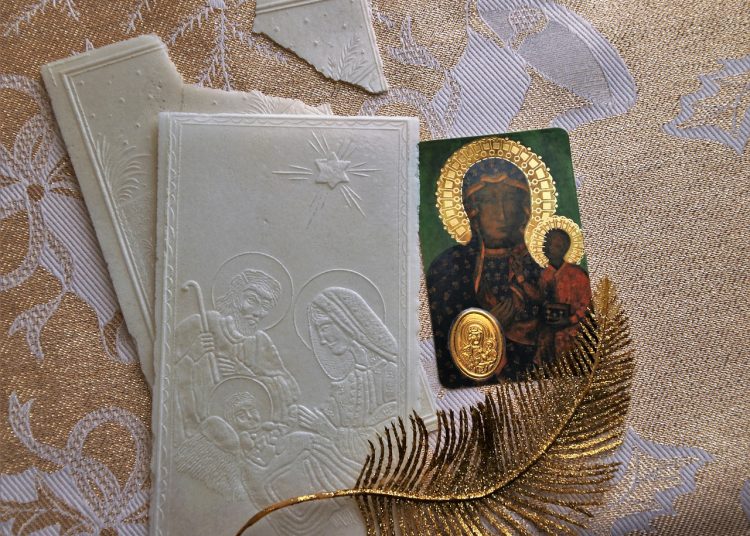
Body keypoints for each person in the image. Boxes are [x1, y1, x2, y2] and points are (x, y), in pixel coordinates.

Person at [426, 158, 542, 386]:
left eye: (510, 199)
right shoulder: (449, 268)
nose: (501, 213)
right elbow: (440, 347)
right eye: (489, 200)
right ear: (472, 209)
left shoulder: (542, 265)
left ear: (524, 206)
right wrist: (491, 327)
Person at [174, 269, 300, 439]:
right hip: (198, 425)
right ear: (235, 297)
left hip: (248, 429)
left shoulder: (260, 342)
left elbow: (289, 391)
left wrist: (245, 374)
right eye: (252, 300)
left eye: (265, 306)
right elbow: (167, 368)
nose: (258, 312)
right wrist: (192, 356)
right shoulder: (204, 324)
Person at [298, 287, 398, 462]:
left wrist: (327, 430)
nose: (322, 339)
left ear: (346, 322)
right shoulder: (347, 385)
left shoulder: (390, 374)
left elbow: (388, 443)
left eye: (325, 327)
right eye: (318, 331)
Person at [535, 228, 591, 363]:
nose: (548, 248)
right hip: (549, 335)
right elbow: (539, 301)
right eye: (546, 243)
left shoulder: (577, 274)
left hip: (573, 335)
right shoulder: (543, 275)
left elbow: (588, 304)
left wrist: (570, 319)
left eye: (554, 244)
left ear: (564, 248)